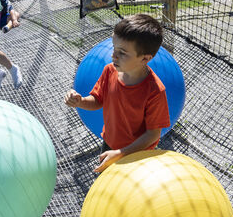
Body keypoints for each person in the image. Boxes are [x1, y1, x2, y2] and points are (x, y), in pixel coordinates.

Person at [64, 14, 171, 173]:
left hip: (138, 155)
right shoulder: (109, 71)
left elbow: (153, 134)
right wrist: (80, 101)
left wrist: (122, 153)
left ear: (145, 58)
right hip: (110, 144)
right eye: (114, 48)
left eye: (122, 52)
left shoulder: (155, 91)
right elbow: (97, 100)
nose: (113, 55)